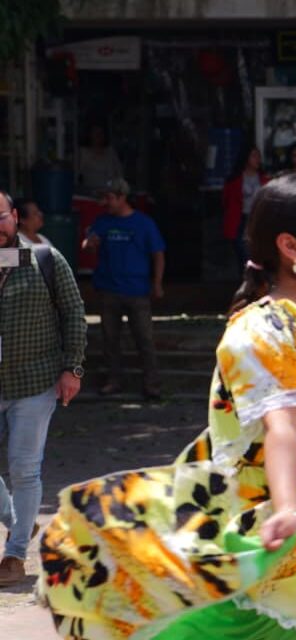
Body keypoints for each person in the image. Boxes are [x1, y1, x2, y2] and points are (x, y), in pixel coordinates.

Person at [40, 175, 296, 638]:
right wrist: (285, 508)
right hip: (286, 544)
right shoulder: (263, 331)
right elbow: (280, 426)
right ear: (291, 246)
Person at [0, 191, 86, 586]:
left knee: (24, 468)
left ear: (15, 216)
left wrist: (72, 368)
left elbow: (73, 313)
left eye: (1, 217)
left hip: (34, 382)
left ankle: (14, 556)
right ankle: (18, 521)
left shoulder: (45, 260)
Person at [83, 179, 165, 399]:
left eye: (109, 197)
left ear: (122, 197)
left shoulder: (144, 223)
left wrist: (157, 283)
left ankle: (152, 384)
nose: (105, 202)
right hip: (108, 289)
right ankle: (113, 380)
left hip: (137, 290)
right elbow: (87, 243)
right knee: (110, 339)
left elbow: (158, 253)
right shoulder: (102, 222)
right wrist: (89, 244)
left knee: (145, 339)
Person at [221, 144, 270, 265]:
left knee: (257, 251)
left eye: (259, 156)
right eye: (254, 156)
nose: (257, 159)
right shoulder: (234, 180)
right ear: (246, 158)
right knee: (242, 252)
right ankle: (248, 278)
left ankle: (253, 278)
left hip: (259, 219)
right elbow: (226, 201)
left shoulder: (264, 179)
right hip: (241, 219)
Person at [76, 123, 125, 194]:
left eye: (101, 133)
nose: (98, 135)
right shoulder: (83, 153)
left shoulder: (111, 152)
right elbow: (77, 176)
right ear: (90, 135)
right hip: (93, 195)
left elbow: (120, 174)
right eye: (95, 132)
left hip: (113, 194)